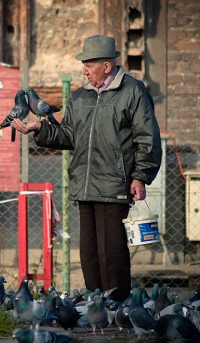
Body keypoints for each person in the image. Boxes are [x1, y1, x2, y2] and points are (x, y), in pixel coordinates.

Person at [12, 35, 162, 302]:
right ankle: (96, 303)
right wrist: (40, 128)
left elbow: (147, 137)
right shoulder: (79, 96)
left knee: (112, 250)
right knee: (89, 251)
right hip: (84, 184)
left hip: (115, 184)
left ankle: (117, 305)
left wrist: (140, 176)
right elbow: (68, 136)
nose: (84, 69)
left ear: (107, 65)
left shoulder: (133, 92)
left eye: (89, 64)